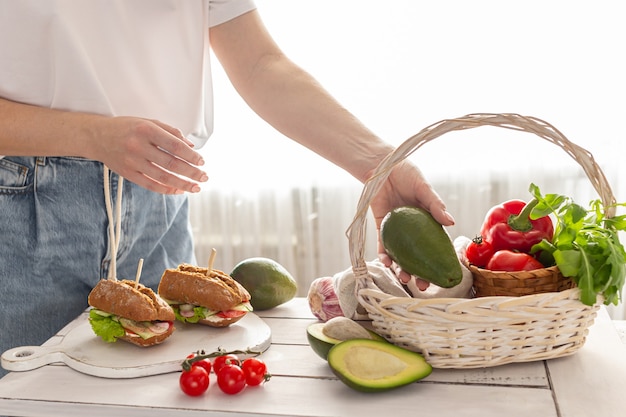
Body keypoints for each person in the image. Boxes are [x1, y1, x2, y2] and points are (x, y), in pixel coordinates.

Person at [0, 0, 453, 376]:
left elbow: (260, 63)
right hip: (25, 212)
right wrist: (94, 136)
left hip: (159, 199)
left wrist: (380, 166)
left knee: (161, 394)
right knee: (22, 394)